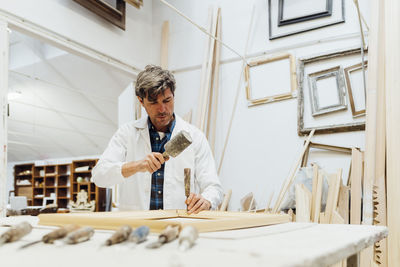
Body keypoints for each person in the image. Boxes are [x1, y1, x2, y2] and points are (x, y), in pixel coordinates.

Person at [92, 65, 223, 214]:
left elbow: (214, 187)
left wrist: (206, 200)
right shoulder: (126, 134)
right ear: (141, 101)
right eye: (154, 103)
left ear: (173, 96)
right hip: (137, 227)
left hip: (178, 224)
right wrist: (137, 166)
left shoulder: (195, 137)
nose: (162, 109)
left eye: (167, 100)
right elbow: (99, 175)